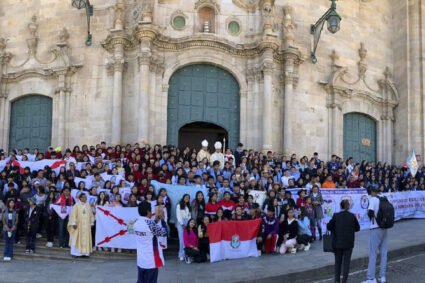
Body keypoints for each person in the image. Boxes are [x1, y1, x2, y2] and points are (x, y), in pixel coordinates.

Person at [327, 199, 360, 283]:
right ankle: (344, 281)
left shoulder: (336, 216)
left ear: (340, 206)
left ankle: (337, 281)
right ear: (348, 207)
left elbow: (329, 226)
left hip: (337, 242)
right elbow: (357, 228)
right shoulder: (352, 216)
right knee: (346, 263)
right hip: (348, 243)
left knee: (338, 262)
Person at [134, 201, 167, 283]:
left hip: (141, 260)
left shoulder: (136, 223)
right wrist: (162, 220)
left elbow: (149, 229)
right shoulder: (150, 224)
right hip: (151, 260)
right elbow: (164, 232)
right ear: (148, 211)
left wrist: (156, 220)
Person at [362, 187, 390, 283]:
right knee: (384, 253)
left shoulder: (373, 199)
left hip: (375, 228)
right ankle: (382, 277)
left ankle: (371, 278)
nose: (370, 195)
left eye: (371, 193)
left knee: (373, 253)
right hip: (384, 228)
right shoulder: (385, 198)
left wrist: (373, 220)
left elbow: (370, 212)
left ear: (373, 192)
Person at [67, 193, 95, 258]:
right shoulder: (76, 205)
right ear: (80, 198)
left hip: (86, 226)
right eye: (84, 197)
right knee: (76, 238)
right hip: (78, 225)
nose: (85, 198)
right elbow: (73, 214)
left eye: (86, 197)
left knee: (86, 238)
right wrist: (74, 223)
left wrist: (91, 223)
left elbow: (90, 214)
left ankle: (85, 253)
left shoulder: (88, 205)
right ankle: (76, 253)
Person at [176, 194, 191, 261]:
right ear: (183, 198)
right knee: (182, 240)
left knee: (187, 239)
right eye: (186, 197)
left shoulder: (188, 206)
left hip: (187, 222)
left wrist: (189, 224)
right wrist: (182, 224)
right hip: (181, 223)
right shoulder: (179, 205)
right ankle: (181, 254)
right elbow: (178, 215)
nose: (187, 198)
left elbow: (189, 215)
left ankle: (186, 254)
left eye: (188, 198)